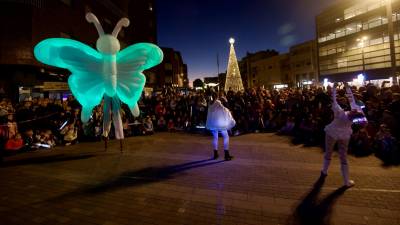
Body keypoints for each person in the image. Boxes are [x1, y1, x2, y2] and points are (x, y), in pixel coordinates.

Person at [321, 84, 366, 188]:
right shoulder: (356, 114)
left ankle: (324, 171)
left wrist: (334, 88)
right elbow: (351, 100)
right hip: (345, 134)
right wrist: (347, 88)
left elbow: (334, 100)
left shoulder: (339, 112)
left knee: (329, 152)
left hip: (332, 132)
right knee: (343, 156)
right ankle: (346, 181)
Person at [206, 93, 236, 160]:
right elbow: (225, 110)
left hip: (213, 123)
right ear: (217, 97)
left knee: (215, 138)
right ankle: (226, 154)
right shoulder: (218, 102)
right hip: (220, 124)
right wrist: (226, 101)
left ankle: (215, 154)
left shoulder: (210, 103)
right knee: (226, 136)